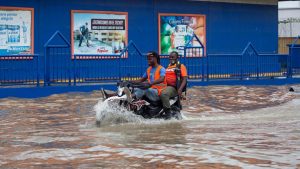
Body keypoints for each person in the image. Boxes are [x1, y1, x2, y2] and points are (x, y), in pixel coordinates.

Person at [102, 51, 167, 103]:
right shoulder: (149, 69)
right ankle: (110, 95)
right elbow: (141, 80)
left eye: (150, 58)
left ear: (155, 58)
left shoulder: (161, 69)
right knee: (132, 88)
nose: (148, 60)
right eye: (147, 59)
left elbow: (162, 78)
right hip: (150, 90)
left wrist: (150, 83)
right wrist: (129, 82)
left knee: (143, 89)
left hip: (158, 92)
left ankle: (130, 99)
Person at [160, 51, 187, 119]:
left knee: (164, 94)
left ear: (177, 58)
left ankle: (168, 114)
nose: (171, 59)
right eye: (170, 57)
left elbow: (184, 79)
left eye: (173, 57)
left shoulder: (181, 66)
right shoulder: (168, 66)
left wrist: (180, 89)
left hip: (174, 87)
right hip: (166, 86)